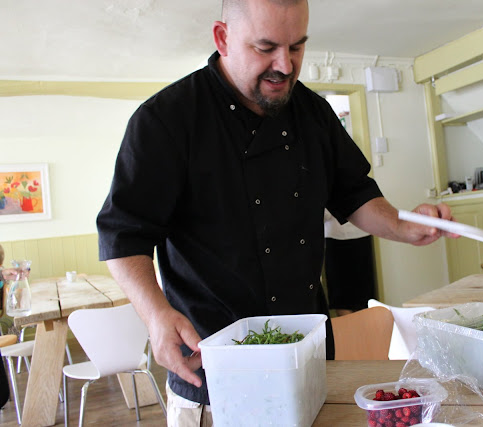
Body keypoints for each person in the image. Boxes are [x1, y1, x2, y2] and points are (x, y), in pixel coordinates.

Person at [96, 0, 457, 424]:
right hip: (212, 369)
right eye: (265, 48)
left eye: (297, 47)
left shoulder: (314, 114)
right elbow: (123, 235)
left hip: (309, 361)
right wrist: (156, 315)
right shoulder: (166, 120)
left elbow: (355, 195)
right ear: (222, 38)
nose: (284, 66)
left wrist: (402, 225)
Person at [323, 209, 376, 316]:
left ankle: (359, 331)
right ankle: (364, 331)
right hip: (357, 232)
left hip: (339, 237)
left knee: (343, 298)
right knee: (359, 297)